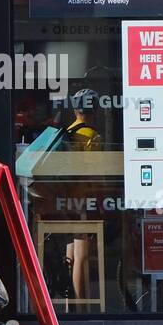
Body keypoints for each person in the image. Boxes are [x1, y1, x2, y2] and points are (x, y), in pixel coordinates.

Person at [61, 89, 102, 304]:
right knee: (82, 257)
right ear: (94, 110)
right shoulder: (93, 137)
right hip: (82, 198)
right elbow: (94, 171)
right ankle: (81, 307)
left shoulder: (68, 132)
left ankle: (70, 307)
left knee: (71, 255)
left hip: (65, 200)